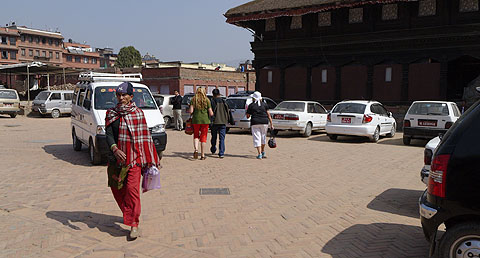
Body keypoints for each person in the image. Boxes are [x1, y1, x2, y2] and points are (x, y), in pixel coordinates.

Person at [105, 82, 160, 239]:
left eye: (124, 95)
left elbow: (145, 138)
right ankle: (128, 213)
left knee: (131, 191)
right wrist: (115, 149)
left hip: (134, 160)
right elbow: (108, 134)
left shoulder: (138, 114)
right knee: (117, 189)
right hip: (116, 161)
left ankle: (134, 224)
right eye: (119, 95)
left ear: (131, 97)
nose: (121, 98)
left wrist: (149, 159)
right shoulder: (111, 113)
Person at [246, 91, 273, 159]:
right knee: (263, 137)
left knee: (257, 138)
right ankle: (263, 151)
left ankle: (259, 153)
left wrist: (247, 110)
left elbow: (247, 116)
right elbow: (269, 115)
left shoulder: (251, 105)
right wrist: (271, 124)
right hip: (264, 122)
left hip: (255, 122)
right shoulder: (264, 104)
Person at [189, 87, 213, 160]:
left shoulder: (193, 99)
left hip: (196, 120)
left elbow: (191, 111)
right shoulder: (207, 100)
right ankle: (202, 154)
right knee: (203, 137)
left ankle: (196, 149)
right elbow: (211, 113)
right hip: (205, 121)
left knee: (196, 135)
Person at [210, 89, 230, 158]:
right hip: (223, 121)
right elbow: (228, 111)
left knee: (214, 137)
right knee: (222, 138)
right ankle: (221, 153)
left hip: (215, 122)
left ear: (213, 94)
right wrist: (230, 120)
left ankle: (213, 148)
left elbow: (211, 112)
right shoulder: (224, 101)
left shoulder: (213, 101)